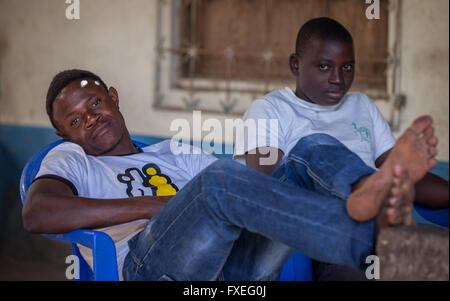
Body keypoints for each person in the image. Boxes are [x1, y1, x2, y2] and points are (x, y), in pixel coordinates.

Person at [22, 69, 436, 281]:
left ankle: (369, 194)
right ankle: (389, 244)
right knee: (217, 182)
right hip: (150, 269)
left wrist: (284, 176)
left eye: (94, 103)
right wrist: (158, 207)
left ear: (112, 97)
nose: (90, 119)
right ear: (64, 134)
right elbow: (38, 214)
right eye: (75, 120)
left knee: (307, 149)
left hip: (233, 269)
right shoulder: (71, 158)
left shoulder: (175, 150)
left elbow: (246, 189)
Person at [234, 17, 449, 280]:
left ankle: (376, 201)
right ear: (295, 64)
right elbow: (265, 186)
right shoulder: (271, 109)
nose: (338, 79)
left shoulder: (362, 106)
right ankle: (369, 193)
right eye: (324, 67)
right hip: (320, 241)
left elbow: (405, 175)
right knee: (313, 148)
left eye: (347, 67)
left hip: (382, 234)